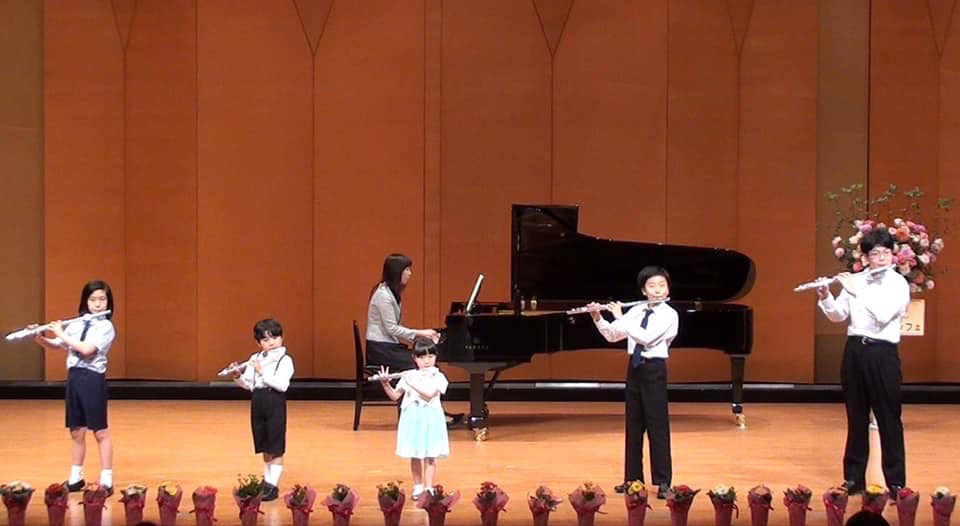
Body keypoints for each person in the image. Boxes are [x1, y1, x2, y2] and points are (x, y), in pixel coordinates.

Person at [817, 228, 910, 497]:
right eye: (876, 254)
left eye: (886, 253)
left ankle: (896, 483)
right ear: (866, 257)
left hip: (883, 353)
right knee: (856, 417)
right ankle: (853, 479)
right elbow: (838, 315)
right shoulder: (857, 281)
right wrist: (825, 296)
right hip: (855, 351)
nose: (882, 259)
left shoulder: (898, 284)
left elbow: (883, 314)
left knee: (888, 418)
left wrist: (857, 292)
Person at [588, 266, 678, 499]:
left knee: (657, 426)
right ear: (643, 290)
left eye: (662, 286)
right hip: (635, 369)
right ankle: (632, 479)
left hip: (654, 369)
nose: (657, 290)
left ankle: (663, 482)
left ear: (668, 289)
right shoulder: (637, 310)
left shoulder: (669, 314)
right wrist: (598, 317)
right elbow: (613, 335)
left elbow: (647, 338)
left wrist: (620, 317)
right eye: (652, 286)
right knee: (634, 425)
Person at [33, 280, 117, 496]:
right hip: (74, 377)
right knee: (76, 431)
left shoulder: (105, 327)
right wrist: (38, 337)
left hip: (92, 379)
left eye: (102, 299)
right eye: (93, 299)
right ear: (85, 301)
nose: (97, 304)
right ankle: (75, 477)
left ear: (108, 302)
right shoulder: (78, 323)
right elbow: (56, 345)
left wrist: (61, 333)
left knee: (100, 431)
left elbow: (87, 349)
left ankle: (107, 479)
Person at [365, 253, 462, 426]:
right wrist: (421, 334)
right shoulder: (383, 296)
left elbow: (396, 328)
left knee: (427, 366)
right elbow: (392, 328)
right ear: (397, 272)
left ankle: (432, 412)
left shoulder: (392, 293)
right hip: (380, 349)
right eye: (407, 270)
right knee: (420, 366)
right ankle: (419, 414)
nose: (410, 273)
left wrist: (419, 339)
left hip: (388, 346)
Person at [230, 318, 294, 502]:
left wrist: (261, 372)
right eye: (266, 339)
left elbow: (282, 385)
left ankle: (273, 485)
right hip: (258, 401)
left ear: (281, 338)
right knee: (264, 444)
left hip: (274, 400)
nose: (271, 342)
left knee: (276, 445)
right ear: (259, 343)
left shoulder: (285, 360)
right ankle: (267, 482)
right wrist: (237, 376)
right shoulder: (255, 358)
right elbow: (249, 385)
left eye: (275, 337)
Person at [377, 340, 450, 501]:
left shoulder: (439, 377)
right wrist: (385, 383)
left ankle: (429, 487)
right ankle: (418, 486)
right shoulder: (409, 375)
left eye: (430, 356)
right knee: (415, 454)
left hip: (430, 418)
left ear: (436, 357)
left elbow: (429, 394)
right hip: (412, 418)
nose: (426, 361)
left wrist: (411, 382)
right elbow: (395, 396)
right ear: (414, 358)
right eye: (422, 357)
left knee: (430, 455)